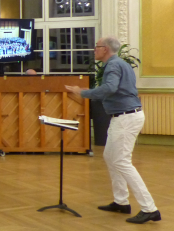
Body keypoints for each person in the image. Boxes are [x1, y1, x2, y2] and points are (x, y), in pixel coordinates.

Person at [66, 36, 161, 224]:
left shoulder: (113, 65)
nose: (94, 49)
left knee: (122, 162)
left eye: (97, 47)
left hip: (126, 117)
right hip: (123, 116)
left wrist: (82, 92)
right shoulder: (119, 63)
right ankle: (121, 202)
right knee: (110, 156)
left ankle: (150, 208)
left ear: (105, 49)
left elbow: (110, 88)